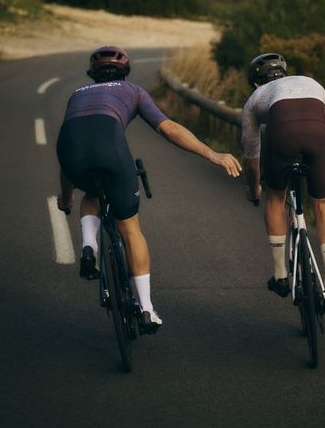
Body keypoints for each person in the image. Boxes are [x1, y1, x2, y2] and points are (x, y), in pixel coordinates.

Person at [56, 45, 242, 334]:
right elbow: (167, 128)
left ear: (93, 73)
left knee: (91, 193)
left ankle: (88, 246)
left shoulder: (76, 95)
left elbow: (69, 153)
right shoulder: (133, 91)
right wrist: (213, 154)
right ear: (125, 71)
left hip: (70, 151)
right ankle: (145, 309)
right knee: (130, 228)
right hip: (111, 151)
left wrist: (66, 198)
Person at [241, 52, 325, 310]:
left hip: (282, 131)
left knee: (275, 199)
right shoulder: (313, 84)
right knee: (323, 204)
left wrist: (254, 189)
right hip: (319, 130)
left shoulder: (255, 98)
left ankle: (280, 276)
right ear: (284, 74)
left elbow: (252, 156)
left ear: (256, 82)